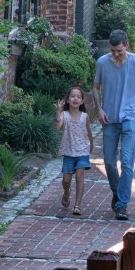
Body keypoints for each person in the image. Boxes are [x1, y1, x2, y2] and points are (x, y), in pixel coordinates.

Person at [93, 29, 135, 221]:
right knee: (110, 162)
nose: (116, 54)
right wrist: (99, 109)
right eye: (113, 51)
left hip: (130, 117)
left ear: (127, 45)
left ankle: (122, 205)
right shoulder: (102, 63)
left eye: (119, 51)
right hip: (109, 118)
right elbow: (95, 87)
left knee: (127, 162)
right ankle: (117, 192)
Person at [54, 87, 94, 216]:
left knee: (79, 176)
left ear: (82, 101)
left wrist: (91, 145)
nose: (75, 99)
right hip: (68, 151)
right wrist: (58, 111)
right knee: (66, 180)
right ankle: (66, 193)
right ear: (67, 99)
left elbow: (89, 132)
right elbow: (57, 125)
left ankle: (77, 205)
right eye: (72, 96)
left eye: (78, 97)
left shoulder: (85, 116)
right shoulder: (64, 115)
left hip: (82, 151)